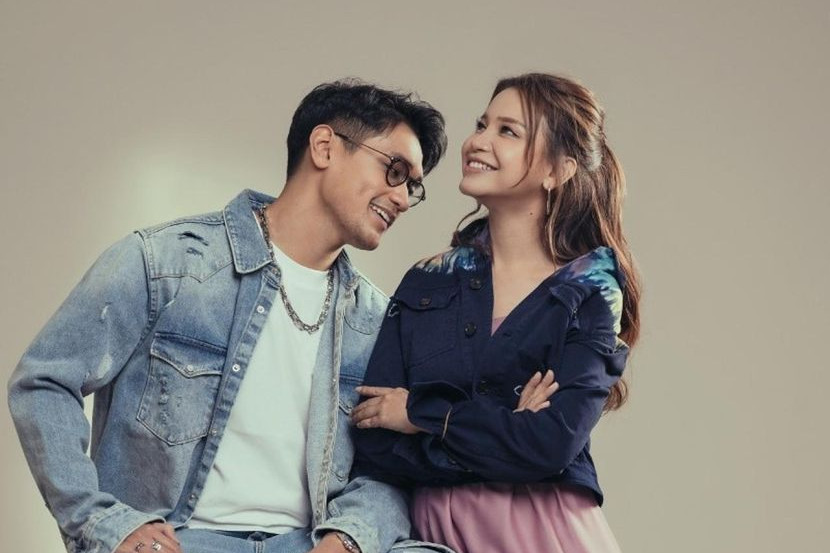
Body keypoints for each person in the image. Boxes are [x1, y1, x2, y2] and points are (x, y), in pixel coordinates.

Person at [8, 80, 454, 553]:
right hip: (182, 539)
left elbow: (385, 470)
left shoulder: (377, 320)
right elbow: (44, 381)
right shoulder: (164, 264)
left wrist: (348, 539)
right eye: (394, 171)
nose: (402, 198)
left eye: (412, 187)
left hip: (308, 543)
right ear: (324, 147)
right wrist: (103, 522)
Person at [351, 72, 642, 553]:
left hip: (547, 536)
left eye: (508, 131)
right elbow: (375, 443)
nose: (478, 141)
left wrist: (420, 415)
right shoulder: (427, 281)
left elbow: (550, 444)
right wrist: (506, 428)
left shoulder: (591, 291)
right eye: (482, 124)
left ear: (557, 170)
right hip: (434, 541)